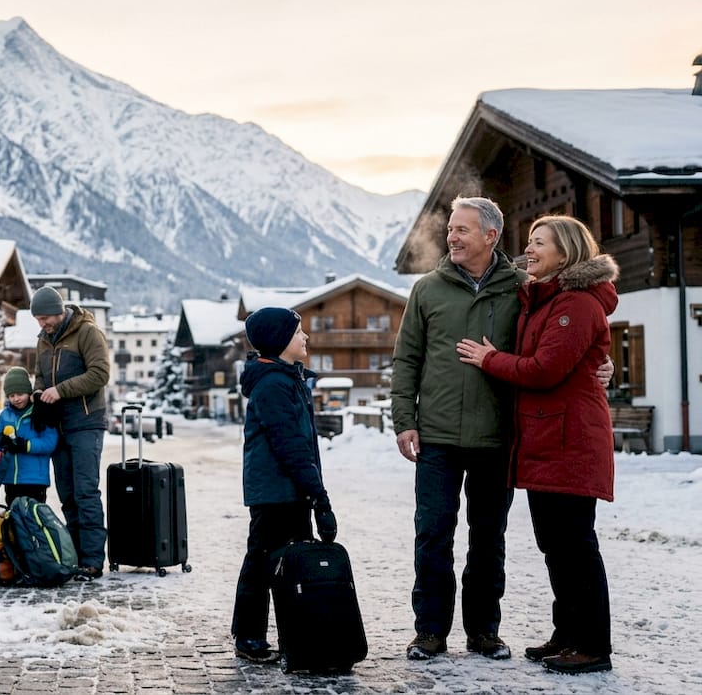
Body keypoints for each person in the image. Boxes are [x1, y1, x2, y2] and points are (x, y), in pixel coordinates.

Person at [392, 196, 614, 663]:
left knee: (488, 539)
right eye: (450, 229)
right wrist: (404, 421)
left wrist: (599, 363)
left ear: (490, 236)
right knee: (432, 535)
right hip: (437, 437)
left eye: (461, 230)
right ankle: (429, 632)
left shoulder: (523, 289)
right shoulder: (428, 290)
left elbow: (554, 345)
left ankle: (484, 633)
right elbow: (406, 360)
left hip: (499, 439)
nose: (451, 236)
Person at [455, 216, 618, 675]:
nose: (529, 249)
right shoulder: (547, 299)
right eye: (528, 241)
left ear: (565, 252)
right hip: (550, 440)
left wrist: (489, 358)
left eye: (539, 242)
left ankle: (591, 645)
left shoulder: (576, 304)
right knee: (557, 545)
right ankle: (568, 634)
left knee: (575, 546)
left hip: (571, 441)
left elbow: (544, 369)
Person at [231, 307, 337, 663]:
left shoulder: (285, 379)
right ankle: (248, 637)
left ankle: (297, 632)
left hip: (288, 490)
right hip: (277, 492)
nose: (305, 337)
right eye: (297, 333)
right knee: (263, 563)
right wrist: (319, 498)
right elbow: (290, 446)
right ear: (279, 342)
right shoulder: (274, 385)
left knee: (284, 563)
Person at [30, 285, 110, 581]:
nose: (42, 324)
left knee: (85, 490)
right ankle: (75, 555)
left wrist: (60, 390)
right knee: (66, 494)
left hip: (86, 422)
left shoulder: (88, 332)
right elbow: (39, 373)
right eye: (38, 319)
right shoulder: (43, 339)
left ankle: (92, 560)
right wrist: (39, 390)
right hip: (57, 425)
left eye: (45, 318)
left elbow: (100, 374)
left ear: (59, 311)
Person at [0, 366, 59, 505]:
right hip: (11, 479)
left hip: (34, 480)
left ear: (28, 392)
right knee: (14, 517)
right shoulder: (5, 415)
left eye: (20, 394)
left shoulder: (40, 412)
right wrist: (0, 440)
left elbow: (50, 442)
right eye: (11, 395)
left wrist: (27, 445)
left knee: (32, 518)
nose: (16, 399)